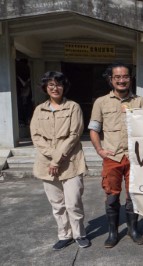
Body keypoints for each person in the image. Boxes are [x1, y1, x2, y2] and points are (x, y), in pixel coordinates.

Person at [88, 63, 143, 248]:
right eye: (117, 77)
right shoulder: (101, 102)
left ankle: (132, 229)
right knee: (112, 197)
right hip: (112, 157)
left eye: (125, 76)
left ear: (130, 78)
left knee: (134, 196)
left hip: (134, 157)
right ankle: (113, 232)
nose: (122, 80)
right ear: (111, 79)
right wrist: (100, 150)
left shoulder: (140, 101)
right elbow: (94, 129)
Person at [30, 71, 90, 251]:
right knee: (57, 205)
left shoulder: (73, 107)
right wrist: (52, 158)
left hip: (71, 162)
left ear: (64, 87)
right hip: (47, 164)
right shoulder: (39, 109)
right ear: (45, 88)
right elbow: (36, 136)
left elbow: (74, 135)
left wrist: (56, 160)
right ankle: (65, 235)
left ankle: (80, 234)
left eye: (59, 84)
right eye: (51, 85)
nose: (55, 88)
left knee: (73, 203)